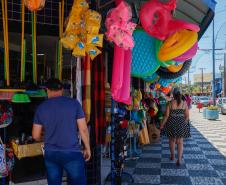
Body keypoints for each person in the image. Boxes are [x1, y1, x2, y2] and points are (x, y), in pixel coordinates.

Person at [32, 78, 90, 185]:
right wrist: (87, 148)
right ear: (62, 90)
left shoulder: (41, 108)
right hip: (72, 153)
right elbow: (83, 129)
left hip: (51, 154)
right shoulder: (74, 104)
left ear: (47, 90)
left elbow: (35, 135)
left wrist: (45, 137)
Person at [160, 87, 190, 166]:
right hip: (181, 124)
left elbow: (166, 116)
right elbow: (187, 116)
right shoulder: (184, 103)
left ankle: (172, 156)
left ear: (173, 94)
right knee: (180, 142)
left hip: (171, 123)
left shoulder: (170, 103)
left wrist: (162, 125)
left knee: (172, 140)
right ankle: (179, 159)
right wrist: (184, 123)